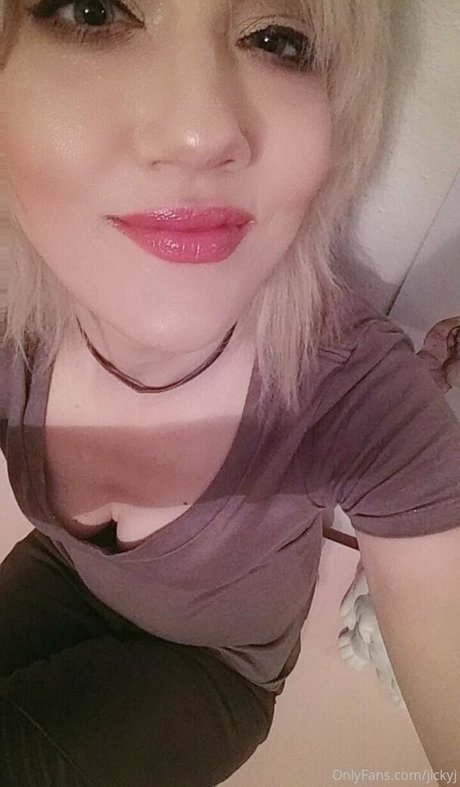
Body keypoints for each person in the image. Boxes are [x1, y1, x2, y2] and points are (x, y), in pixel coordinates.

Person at [1, 0, 459, 784]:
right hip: (60, 572)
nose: (200, 131)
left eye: (278, 38)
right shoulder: (15, 323)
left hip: (214, 667)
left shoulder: (360, 393)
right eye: (94, 10)